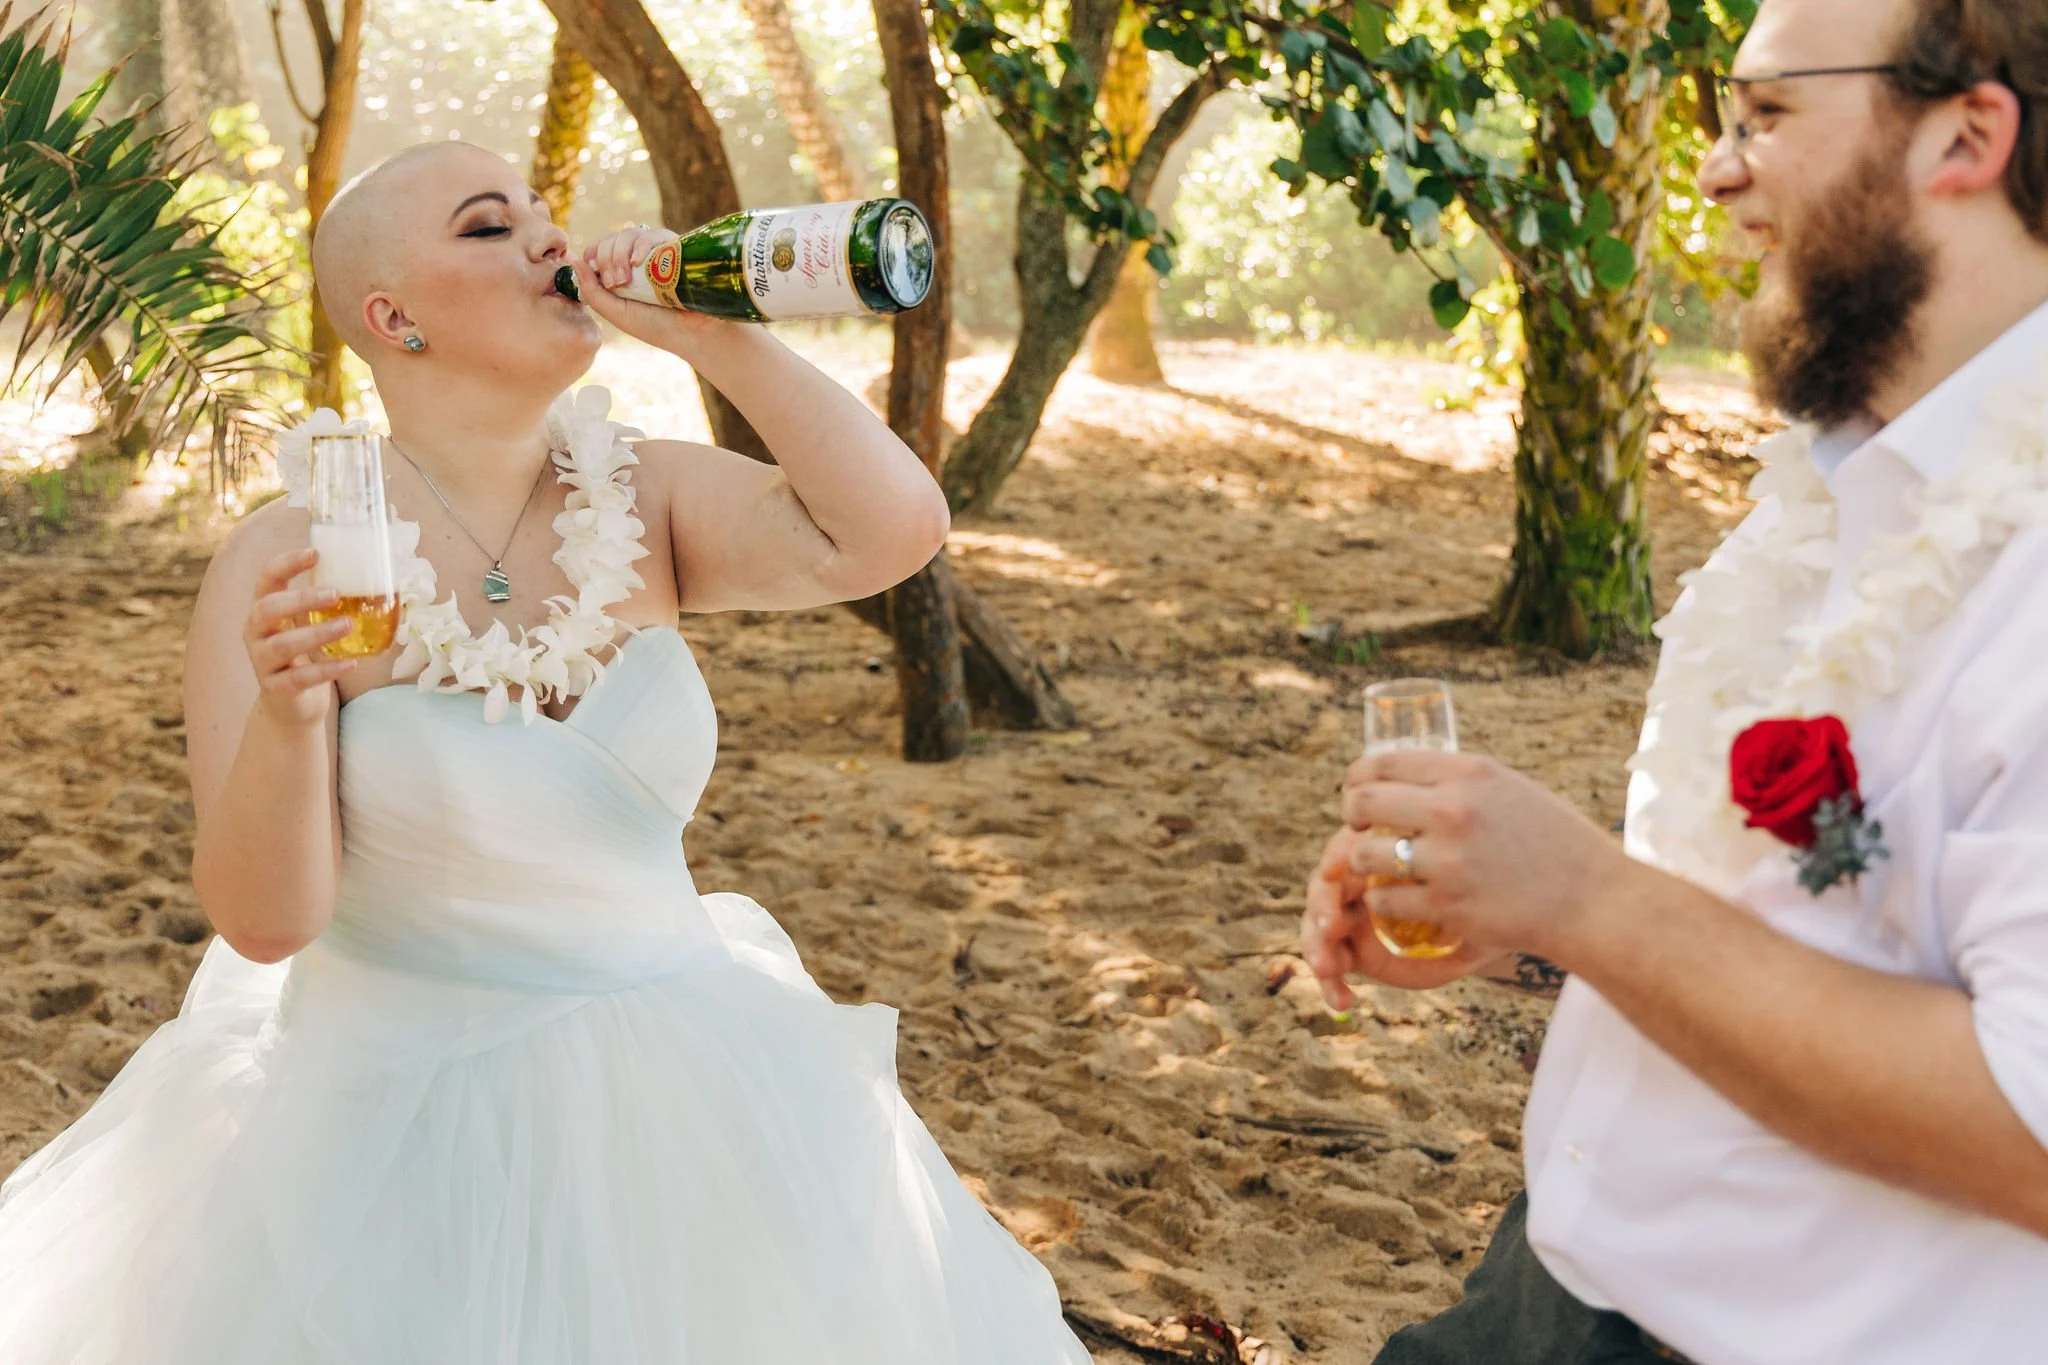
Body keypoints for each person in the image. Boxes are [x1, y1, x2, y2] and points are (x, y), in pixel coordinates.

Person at [0, 141, 1091, 1363]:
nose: (547, 240)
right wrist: (290, 717)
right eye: (486, 226)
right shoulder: (291, 557)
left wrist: (713, 334)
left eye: (543, 212)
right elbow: (264, 924)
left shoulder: (645, 498)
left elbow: (891, 531)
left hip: (689, 1089)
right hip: (387, 1123)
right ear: (391, 316)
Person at [1301, 1, 2048, 1362]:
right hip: (1544, 1280)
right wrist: (1518, 914)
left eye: (1765, 114)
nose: (1713, 167)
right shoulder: (1827, 493)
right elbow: (1795, 926)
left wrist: (1586, 897)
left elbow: (2033, 1135)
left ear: (1968, 132)